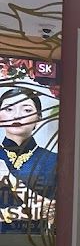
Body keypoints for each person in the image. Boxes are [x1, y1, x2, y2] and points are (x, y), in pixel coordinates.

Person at [0, 87, 57, 233]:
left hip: (38, 244)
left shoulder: (54, 161)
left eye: (26, 110)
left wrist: (7, 176)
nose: (16, 116)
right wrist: (24, 212)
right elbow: (44, 209)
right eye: (9, 109)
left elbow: (55, 212)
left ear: (39, 118)